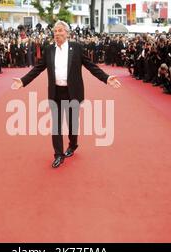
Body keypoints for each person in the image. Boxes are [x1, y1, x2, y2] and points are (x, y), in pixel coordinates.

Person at [11, 20, 121, 168]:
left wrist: (106, 78)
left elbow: (91, 66)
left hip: (73, 92)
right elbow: (38, 68)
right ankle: (58, 154)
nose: (57, 33)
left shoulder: (76, 48)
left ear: (67, 33)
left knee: (71, 124)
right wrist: (23, 81)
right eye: (55, 31)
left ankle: (73, 144)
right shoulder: (49, 49)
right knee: (56, 126)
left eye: (60, 30)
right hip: (56, 91)